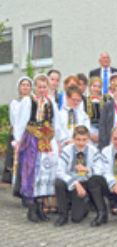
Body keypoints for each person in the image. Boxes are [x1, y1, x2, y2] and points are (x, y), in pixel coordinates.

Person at [12, 75, 59, 222]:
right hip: (32, 139)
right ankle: (32, 208)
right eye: (39, 87)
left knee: (44, 172)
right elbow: (21, 121)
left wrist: (59, 140)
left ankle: (40, 207)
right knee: (32, 171)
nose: (42, 90)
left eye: (44, 87)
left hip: (46, 140)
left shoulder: (50, 102)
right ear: (35, 87)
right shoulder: (28, 101)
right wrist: (18, 139)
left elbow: (56, 121)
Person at [54, 126, 107, 227]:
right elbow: (60, 171)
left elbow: (100, 170)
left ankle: (85, 204)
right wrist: (75, 183)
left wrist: (87, 169)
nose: (81, 143)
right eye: (78, 139)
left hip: (85, 182)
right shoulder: (67, 150)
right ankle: (63, 215)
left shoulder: (93, 150)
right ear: (73, 139)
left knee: (76, 218)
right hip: (73, 182)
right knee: (58, 182)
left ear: (88, 139)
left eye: (84, 139)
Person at [3, 77, 32, 183]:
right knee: (16, 157)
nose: (25, 87)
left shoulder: (32, 101)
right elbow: (13, 119)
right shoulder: (14, 102)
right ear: (19, 87)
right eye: (23, 85)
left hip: (29, 133)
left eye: (27, 85)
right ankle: (15, 180)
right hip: (17, 134)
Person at [84, 77, 105, 145]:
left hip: (102, 128)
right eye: (94, 86)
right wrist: (89, 133)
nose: (96, 89)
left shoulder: (105, 100)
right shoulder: (85, 100)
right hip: (90, 127)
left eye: (99, 87)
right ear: (90, 87)